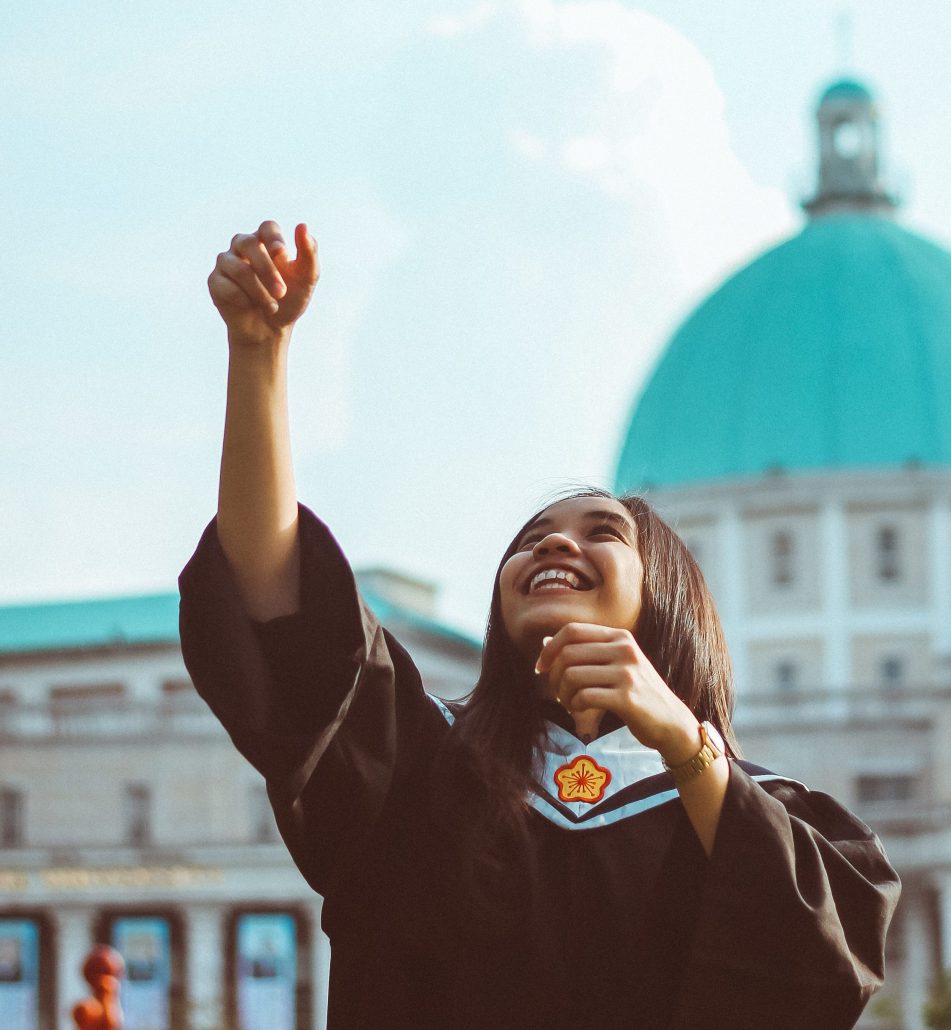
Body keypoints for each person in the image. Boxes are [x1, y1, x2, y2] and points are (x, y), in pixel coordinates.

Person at [179, 221, 900, 1030]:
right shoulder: (418, 761)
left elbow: (816, 973)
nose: (554, 541)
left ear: (666, 600)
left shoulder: (771, 819)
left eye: (601, 532)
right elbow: (278, 599)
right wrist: (258, 356)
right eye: (530, 539)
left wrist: (683, 744)